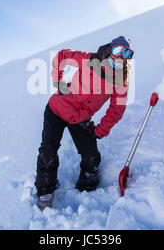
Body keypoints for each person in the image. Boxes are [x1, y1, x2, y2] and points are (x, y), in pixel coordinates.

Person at [35, 36, 134, 210]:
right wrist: (59, 82)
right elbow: (61, 57)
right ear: (109, 49)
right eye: (118, 50)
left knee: (92, 157)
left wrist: (101, 130)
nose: (121, 56)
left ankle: (86, 188)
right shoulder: (90, 60)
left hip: (80, 118)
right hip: (57, 109)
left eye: (126, 53)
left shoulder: (121, 80)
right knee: (47, 152)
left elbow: (117, 110)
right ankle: (45, 190)